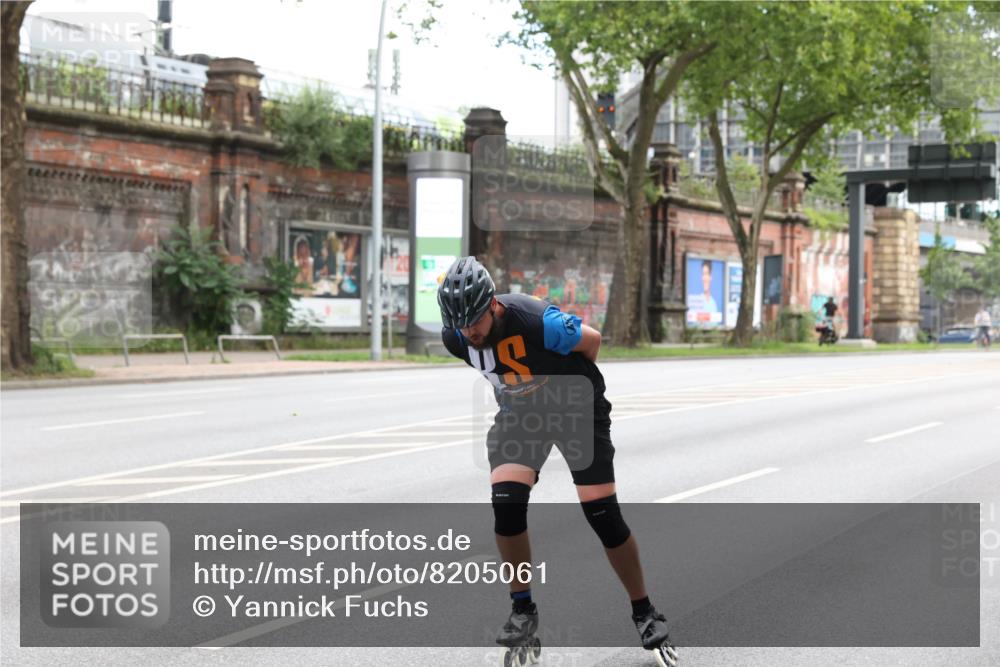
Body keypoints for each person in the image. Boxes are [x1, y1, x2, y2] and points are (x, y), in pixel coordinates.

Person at [438, 256, 677, 666]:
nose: (469, 332)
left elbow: (593, 341)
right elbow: (497, 373)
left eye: (475, 321)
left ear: (492, 304)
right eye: (460, 325)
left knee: (601, 512)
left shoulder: (537, 321)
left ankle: (645, 612)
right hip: (522, 415)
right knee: (506, 505)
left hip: (575, 408)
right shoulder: (457, 338)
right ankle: (523, 613)